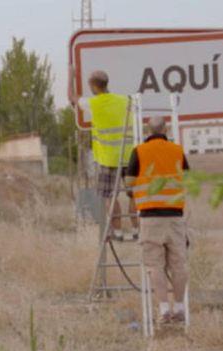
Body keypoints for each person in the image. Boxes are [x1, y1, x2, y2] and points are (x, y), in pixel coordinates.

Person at [126, 116, 189, 324]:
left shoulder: (139, 151)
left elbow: (129, 182)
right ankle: (179, 308)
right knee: (179, 265)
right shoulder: (177, 151)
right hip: (175, 216)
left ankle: (163, 310)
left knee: (155, 266)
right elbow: (188, 179)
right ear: (166, 129)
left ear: (147, 130)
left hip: (150, 217)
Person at [77, 70, 138, 241]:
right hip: (130, 156)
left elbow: (73, 98)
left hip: (109, 159)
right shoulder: (125, 100)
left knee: (110, 196)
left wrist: (72, 75)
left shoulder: (94, 103)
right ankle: (137, 229)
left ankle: (117, 232)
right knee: (135, 195)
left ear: (93, 86)